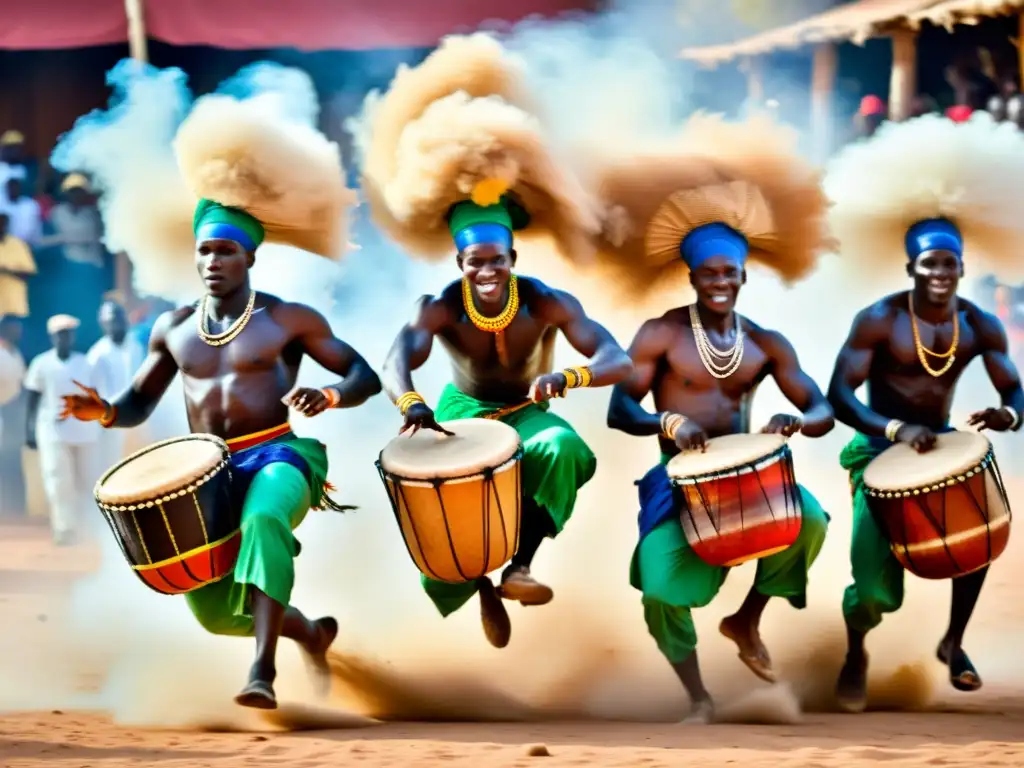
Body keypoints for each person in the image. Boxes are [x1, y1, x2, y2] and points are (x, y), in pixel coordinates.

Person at [56, 62, 378, 710]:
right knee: (211, 609)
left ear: (249, 257)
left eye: (224, 251)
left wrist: (330, 395)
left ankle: (262, 672)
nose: (211, 262)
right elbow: (137, 404)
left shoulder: (288, 318)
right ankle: (309, 634)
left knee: (263, 521)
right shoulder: (172, 329)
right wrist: (104, 410)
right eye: (204, 251)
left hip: (283, 455)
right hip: (209, 470)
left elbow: (362, 373)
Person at [361, 33, 627, 648]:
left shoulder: (546, 301)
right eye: (474, 263)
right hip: (459, 413)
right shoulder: (440, 308)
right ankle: (477, 583)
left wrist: (569, 378)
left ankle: (520, 567)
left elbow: (616, 356)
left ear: (513, 255)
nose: (487, 273)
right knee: (438, 497)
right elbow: (394, 359)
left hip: (528, 414)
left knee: (561, 448)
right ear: (459, 261)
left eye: (497, 261)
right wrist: (413, 406)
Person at [595, 112, 835, 723]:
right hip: (679, 485)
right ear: (693, 277)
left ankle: (747, 618)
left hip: (754, 479)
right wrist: (665, 425)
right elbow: (619, 407)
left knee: (811, 519)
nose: (720, 282)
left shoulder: (767, 342)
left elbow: (823, 406)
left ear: (743, 275)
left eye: (730, 273)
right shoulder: (661, 335)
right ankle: (698, 697)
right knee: (657, 589)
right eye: (709, 274)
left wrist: (797, 421)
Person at [823, 112, 1024, 712]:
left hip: (939, 447)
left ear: (964, 265)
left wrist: (1009, 415)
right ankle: (857, 648)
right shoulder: (879, 320)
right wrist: (893, 428)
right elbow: (839, 395)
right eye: (930, 263)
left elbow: (1015, 388)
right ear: (910, 266)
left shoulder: (979, 324)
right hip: (877, 452)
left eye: (950, 263)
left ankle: (953, 642)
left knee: (980, 537)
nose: (941, 273)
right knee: (877, 593)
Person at [24, 314, 101, 545]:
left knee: (87, 480)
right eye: (60, 334)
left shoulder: (86, 362)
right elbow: (33, 398)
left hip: (85, 431)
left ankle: (90, 529)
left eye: (68, 333)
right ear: (52, 337)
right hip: (52, 431)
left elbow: (97, 397)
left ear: (73, 336)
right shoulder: (41, 363)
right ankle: (64, 528)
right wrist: (29, 430)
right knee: (58, 480)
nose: (64, 338)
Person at [86, 299, 145, 469]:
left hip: (139, 419)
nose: (116, 323)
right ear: (103, 323)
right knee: (116, 468)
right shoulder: (97, 355)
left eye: (119, 317)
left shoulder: (136, 345)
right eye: (111, 319)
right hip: (112, 423)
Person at [0, 213, 37, 319]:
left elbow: (28, 273)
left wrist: (6, 271)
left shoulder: (18, 244)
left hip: (13, 306)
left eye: (3, 224)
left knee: (12, 334)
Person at [2, 178, 42, 245]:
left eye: (15, 187)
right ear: (7, 189)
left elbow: (36, 229)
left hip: (30, 244)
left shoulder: (31, 205)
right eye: (11, 187)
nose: (13, 190)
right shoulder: (2, 207)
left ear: (20, 188)